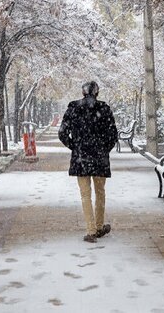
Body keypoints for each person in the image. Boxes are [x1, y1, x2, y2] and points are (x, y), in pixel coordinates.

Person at [58, 81, 118, 243]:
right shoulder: (104, 109)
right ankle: (99, 227)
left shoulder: (73, 108)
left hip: (81, 158)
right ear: (97, 93)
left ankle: (91, 230)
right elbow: (113, 135)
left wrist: (75, 147)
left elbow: (62, 133)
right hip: (99, 158)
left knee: (85, 195)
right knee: (100, 193)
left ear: (83, 92)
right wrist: (103, 149)